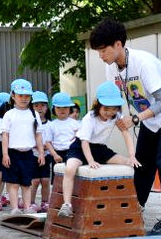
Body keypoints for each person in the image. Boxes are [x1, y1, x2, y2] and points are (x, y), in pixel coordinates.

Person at [90, 18, 161, 235]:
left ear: (118, 44)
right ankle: (135, 210)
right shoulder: (112, 69)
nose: (101, 56)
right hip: (149, 118)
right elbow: (117, 101)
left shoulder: (143, 62)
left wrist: (135, 119)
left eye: (103, 50)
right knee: (142, 164)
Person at [58, 81, 140, 217]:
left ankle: (133, 202)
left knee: (129, 164)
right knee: (69, 168)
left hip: (100, 149)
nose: (110, 113)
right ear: (97, 105)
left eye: (114, 109)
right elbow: (84, 142)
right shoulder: (89, 118)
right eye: (106, 109)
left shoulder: (116, 116)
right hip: (80, 147)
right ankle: (66, 205)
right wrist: (90, 161)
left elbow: (126, 134)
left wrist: (132, 156)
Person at [0, 79, 45, 216]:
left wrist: (41, 153)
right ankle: (14, 208)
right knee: (13, 183)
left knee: (27, 183)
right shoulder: (9, 114)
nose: (24, 99)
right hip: (13, 153)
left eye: (27, 96)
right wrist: (5, 154)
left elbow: (38, 135)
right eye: (21, 96)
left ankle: (27, 207)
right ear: (13, 96)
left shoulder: (33, 114)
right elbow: (5, 135)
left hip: (28, 154)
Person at [46, 92, 80, 185]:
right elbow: (48, 142)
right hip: (57, 154)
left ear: (70, 108)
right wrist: (54, 155)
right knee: (57, 179)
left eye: (65, 107)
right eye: (58, 107)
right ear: (54, 109)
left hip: (72, 153)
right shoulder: (51, 125)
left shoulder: (75, 123)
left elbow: (81, 138)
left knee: (73, 177)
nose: (62, 110)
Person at [30, 91, 52, 212]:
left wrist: (47, 147)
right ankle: (31, 202)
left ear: (47, 107)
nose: (39, 108)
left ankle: (45, 202)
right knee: (34, 181)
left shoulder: (50, 124)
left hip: (47, 155)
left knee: (45, 180)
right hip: (33, 156)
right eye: (36, 105)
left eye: (42, 105)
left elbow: (52, 140)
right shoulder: (30, 123)